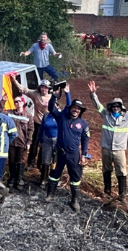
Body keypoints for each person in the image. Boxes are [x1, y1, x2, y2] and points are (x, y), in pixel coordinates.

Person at [45, 83, 90, 212]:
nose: (76, 110)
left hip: (74, 154)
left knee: (75, 178)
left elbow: (85, 139)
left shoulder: (83, 123)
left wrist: (84, 155)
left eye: (78, 109)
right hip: (59, 152)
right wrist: (55, 96)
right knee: (54, 174)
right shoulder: (61, 118)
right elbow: (50, 107)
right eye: (74, 107)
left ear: (80, 111)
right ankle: (50, 194)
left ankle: (74, 200)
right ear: (70, 108)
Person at [13, 77, 54, 167]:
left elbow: (56, 110)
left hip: (47, 125)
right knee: (34, 143)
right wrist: (14, 80)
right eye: (42, 87)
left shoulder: (52, 98)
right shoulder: (36, 94)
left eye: (46, 87)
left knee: (44, 145)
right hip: (37, 123)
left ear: (49, 89)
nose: (43, 89)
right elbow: (23, 89)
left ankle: (40, 163)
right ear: (39, 88)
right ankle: (31, 162)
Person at [6, 95, 34, 191]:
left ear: (23, 103)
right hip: (11, 142)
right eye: (16, 102)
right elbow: (0, 112)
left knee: (21, 160)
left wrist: (29, 142)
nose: (17, 103)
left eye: (19, 101)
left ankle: (19, 179)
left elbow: (31, 129)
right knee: (12, 160)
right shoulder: (9, 113)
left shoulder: (28, 115)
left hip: (22, 142)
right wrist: (2, 101)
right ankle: (12, 178)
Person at [37, 112, 58, 186]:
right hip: (47, 140)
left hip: (57, 140)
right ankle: (44, 179)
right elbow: (42, 128)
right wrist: (41, 140)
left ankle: (54, 179)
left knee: (55, 160)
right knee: (45, 160)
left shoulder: (60, 115)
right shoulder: (46, 116)